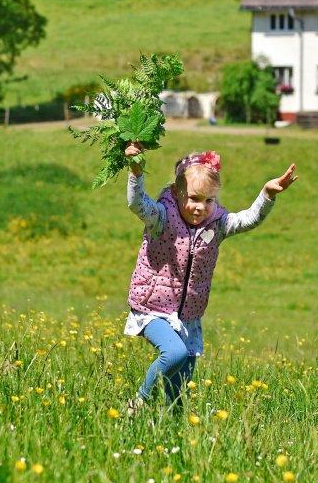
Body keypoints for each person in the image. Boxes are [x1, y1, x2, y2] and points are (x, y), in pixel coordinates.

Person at [123, 142, 296, 411]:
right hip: (153, 308)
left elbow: (249, 219)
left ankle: (171, 432)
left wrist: (267, 194)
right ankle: (138, 403)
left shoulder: (218, 224)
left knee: (178, 390)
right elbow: (136, 203)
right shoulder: (162, 217)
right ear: (178, 192)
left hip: (189, 316)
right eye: (193, 198)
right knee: (175, 353)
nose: (199, 207)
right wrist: (136, 170)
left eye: (208, 200)